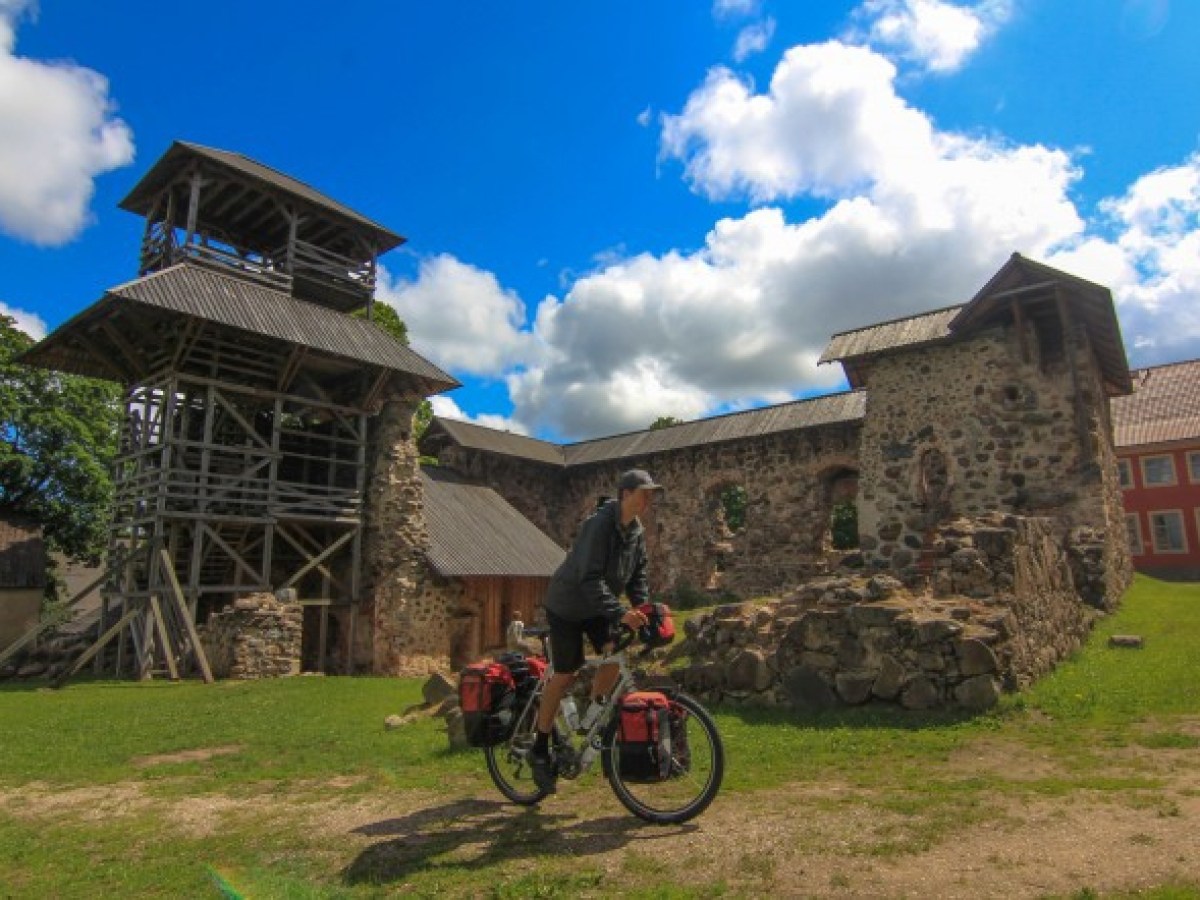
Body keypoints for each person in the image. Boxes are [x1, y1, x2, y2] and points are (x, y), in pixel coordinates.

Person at [529, 468, 663, 792]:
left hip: (598, 608)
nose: (648, 500)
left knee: (614, 656)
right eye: (643, 493)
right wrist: (620, 612)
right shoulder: (598, 525)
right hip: (568, 606)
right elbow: (588, 577)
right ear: (625, 494)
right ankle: (539, 747)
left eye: (650, 494)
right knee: (566, 674)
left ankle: (594, 715)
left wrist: (642, 611)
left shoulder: (635, 531)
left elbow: (637, 577)